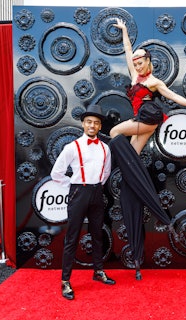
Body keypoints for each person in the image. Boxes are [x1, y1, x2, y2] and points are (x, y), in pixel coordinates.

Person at [111, 18, 186, 155]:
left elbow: (174, 96)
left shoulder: (154, 82)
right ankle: (134, 175)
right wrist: (124, 30)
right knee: (133, 155)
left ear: (148, 61)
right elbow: (128, 50)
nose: (137, 67)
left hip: (147, 120)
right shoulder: (134, 75)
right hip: (139, 119)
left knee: (114, 132)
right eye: (135, 64)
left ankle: (123, 161)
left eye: (140, 63)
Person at [51, 103, 115, 300]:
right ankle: (65, 281)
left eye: (96, 123)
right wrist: (74, 186)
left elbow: (106, 172)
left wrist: (96, 186)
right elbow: (56, 173)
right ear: (83, 124)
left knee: (97, 234)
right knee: (72, 237)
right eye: (89, 122)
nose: (92, 126)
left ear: (99, 126)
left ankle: (98, 271)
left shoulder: (105, 148)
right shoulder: (72, 147)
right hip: (78, 191)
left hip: (97, 192)